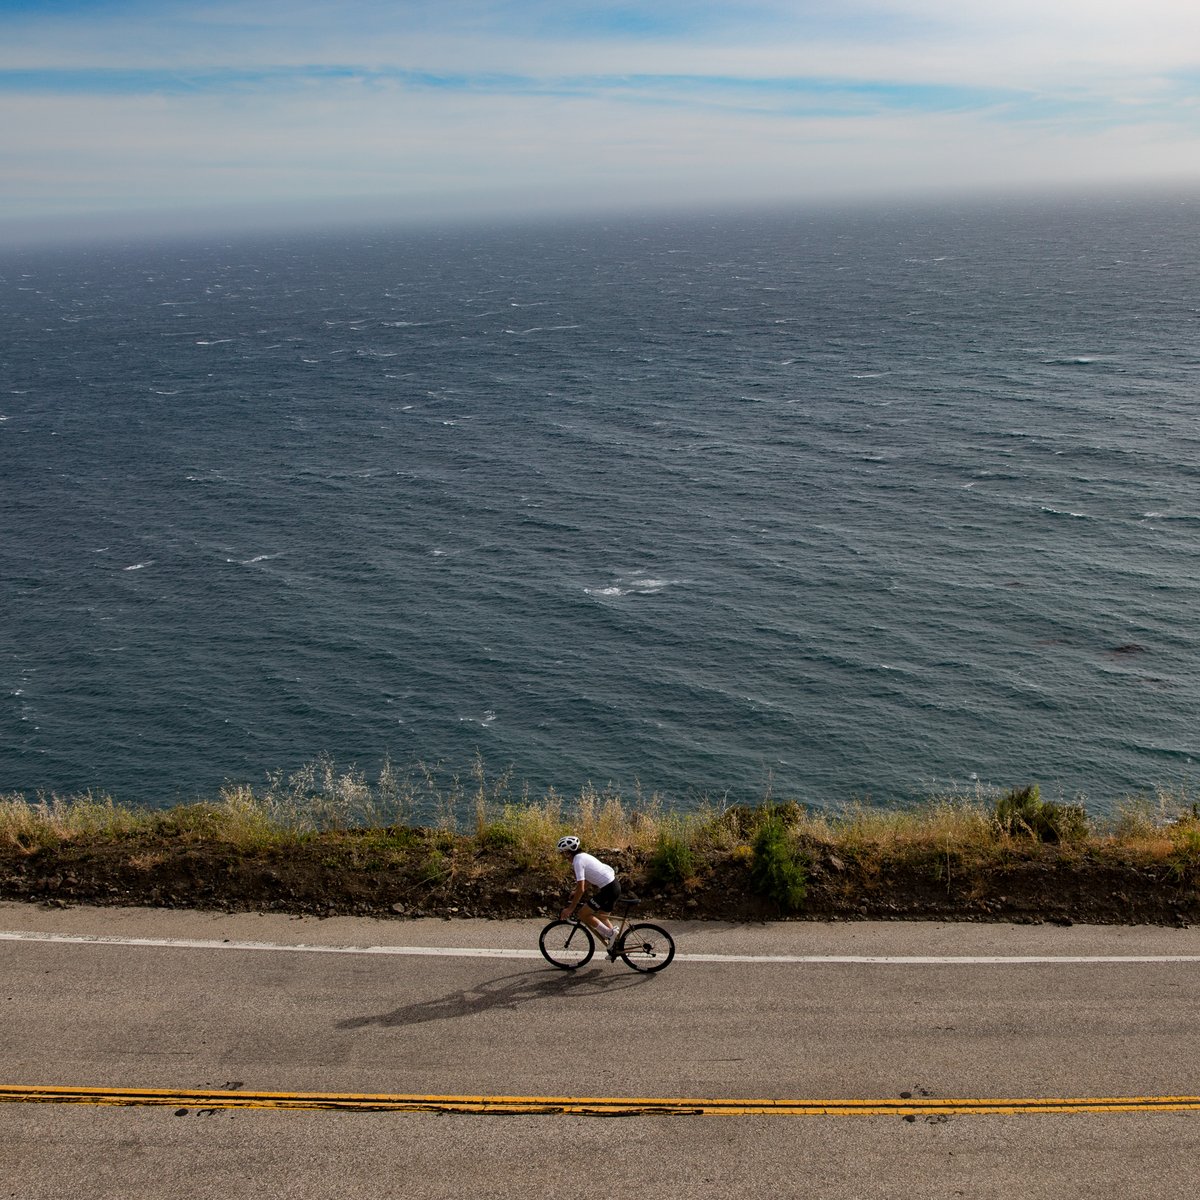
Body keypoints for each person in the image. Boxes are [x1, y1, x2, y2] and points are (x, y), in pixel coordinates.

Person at [556, 835, 621, 947]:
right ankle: (617, 946)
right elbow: (588, 880)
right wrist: (575, 892)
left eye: (562, 853)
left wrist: (570, 909)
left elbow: (580, 888)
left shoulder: (577, 861)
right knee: (602, 917)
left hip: (608, 889)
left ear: (567, 852)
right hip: (614, 886)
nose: (562, 856)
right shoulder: (583, 856)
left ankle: (610, 934)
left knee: (583, 914)